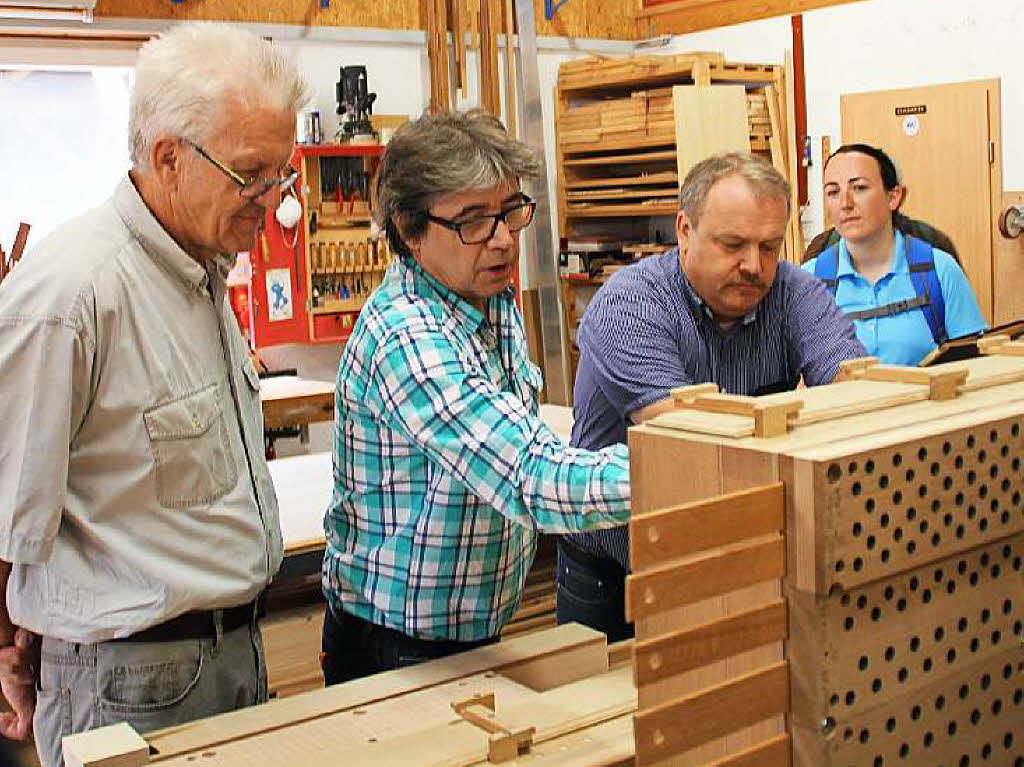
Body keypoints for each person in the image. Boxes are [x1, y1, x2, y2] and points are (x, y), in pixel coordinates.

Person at [0, 24, 310, 767]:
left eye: (283, 175)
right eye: (251, 175)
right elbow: (6, 515)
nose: (271, 201)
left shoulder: (200, 269)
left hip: (230, 654)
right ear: (168, 156)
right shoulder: (72, 296)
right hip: (131, 680)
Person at [320, 110, 632, 684]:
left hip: (472, 636)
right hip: (397, 651)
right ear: (409, 228)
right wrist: (682, 466)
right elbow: (527, 476)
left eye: (511, 213)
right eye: (473, 222)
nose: (503, 240)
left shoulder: (488, 301)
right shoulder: (408, 337)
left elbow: (522, 437)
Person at [557, 152, 867, 641]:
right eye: (733, 245)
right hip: (615, 568)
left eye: (769, 247)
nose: (753, 266)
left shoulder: (794, 293)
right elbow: (693, 446)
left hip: (737, 554)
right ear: (684, 230)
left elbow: (857, 394)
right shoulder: (631, 303)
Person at [803, 144, 986, 365]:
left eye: (859, 188)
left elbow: (974, 365)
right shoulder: (807, 282)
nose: (845, 203)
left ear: (893, 197)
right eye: (833, 192)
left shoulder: (940, 271)